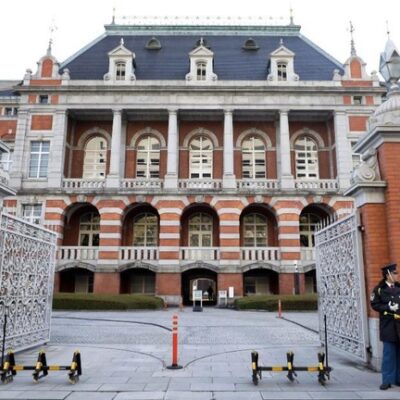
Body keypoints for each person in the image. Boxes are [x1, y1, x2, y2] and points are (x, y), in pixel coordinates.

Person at [371, 263, 400, 390]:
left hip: (399, 325)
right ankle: (387, 380)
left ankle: (398, 379)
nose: (397, 275)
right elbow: (375, 305)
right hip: (388, 325)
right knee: (389, 354)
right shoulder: (379, 289)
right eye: (394, 273)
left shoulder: (399, 287)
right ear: (388, 275)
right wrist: (387, 307)